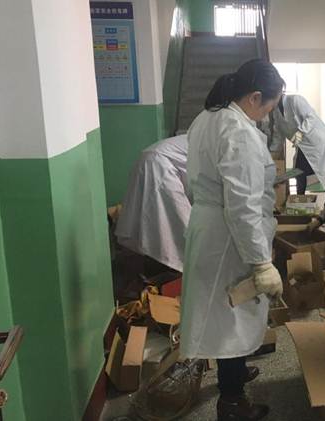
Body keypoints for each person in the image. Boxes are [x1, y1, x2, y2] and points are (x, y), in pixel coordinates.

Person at [179, 59, 285, 421]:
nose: (268, 115)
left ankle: (234, 373)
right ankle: (233, 403)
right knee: (234, 314)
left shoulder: (207, 117)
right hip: (229, 236)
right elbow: (242, 205)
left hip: (208, 225)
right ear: (255, 97)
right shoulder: (238, 131)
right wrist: (261, 262)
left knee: (226, 314)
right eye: (269, 106)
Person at [115, 135, 190, 271]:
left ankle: (142, 271)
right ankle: (157, 273)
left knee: (143, 225)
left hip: (152, 158)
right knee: (181, 234)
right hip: (160, 165)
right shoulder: (228, 141)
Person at [271, 94, 325, 194]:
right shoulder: (275, 113)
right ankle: (300, 199)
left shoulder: (294, 100)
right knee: (299, 171)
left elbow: (311, 116)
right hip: (303, 145)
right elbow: (278, 134)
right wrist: (273, 153)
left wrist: (301, 132)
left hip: (317, 142)